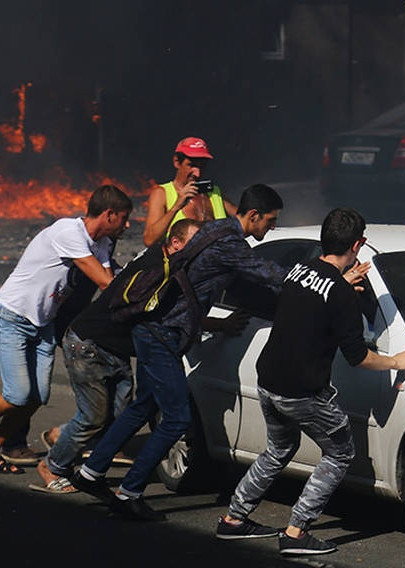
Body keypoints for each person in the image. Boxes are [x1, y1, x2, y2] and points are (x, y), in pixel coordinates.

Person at [70, 183, 290, 521]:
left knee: (145, 404)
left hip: (151, 328)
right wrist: (322, 279)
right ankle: (129, 493)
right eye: (270, 221)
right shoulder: (230, 242)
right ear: (254, 215)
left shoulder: (213, 229)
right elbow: (269, 274)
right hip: (161, 334)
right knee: (176, 418)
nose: (271, 228)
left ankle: (90, 472)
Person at [216, 207, 405, 556]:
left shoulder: (300, 270)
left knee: (279, 449)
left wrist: (341, 284)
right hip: (301, 391)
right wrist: (396, 360)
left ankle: (234, 520)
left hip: (268, 381)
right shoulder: (342, 295)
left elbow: (313, 296)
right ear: (358, 244)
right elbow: (359, 357)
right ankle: (296, 532)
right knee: (340, 452)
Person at [32, 219, 203, 494]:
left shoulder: (166, 263)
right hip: (89, 345)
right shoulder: (155, 268)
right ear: (175, 243)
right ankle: (51, 466)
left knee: (121, 414)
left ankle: (62, 438)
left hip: (114, 348)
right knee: (93, 417)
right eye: (193, 244)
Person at [0, 185, 132, 474]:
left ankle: (3, 443)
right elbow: (107, 284)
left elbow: (112, 279)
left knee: (37, 397)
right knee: (17, 395)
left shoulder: (102, 244)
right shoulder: (68, 232)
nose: (128, 224)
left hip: (43, 322)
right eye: (123, 218)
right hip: (13, 315)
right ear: (109, 215)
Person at [142, 136, 237, 247]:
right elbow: (149, 240)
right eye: (191, 165)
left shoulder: (214, 193)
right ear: (177, 162)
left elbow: (245, 221)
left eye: (202, 167)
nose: (197, 173)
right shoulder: (161, 193)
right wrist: (177, 206)